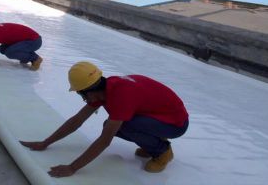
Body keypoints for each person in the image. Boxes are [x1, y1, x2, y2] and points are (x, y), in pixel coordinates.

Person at [20, 61, 189, 177]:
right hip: (159, 116)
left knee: (124, 126)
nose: (83, 99)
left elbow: (104, 141)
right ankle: (152, 140)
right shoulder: (105, 87)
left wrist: (72, 167)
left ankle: (162, 151)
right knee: (114, 124)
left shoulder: (120, 96)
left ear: (89, 91)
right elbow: (77, 120)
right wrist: (46, 142)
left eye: (81, 94)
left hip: (175, 124)